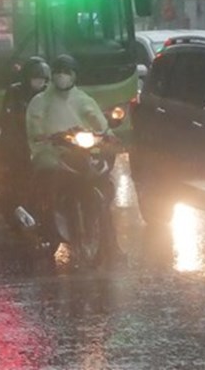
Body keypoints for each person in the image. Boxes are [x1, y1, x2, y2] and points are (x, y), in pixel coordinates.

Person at [25, 54, 124, 262]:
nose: (62, 76)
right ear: (52, 76)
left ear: (74, 75)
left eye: (67, 72)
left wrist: (109, 137)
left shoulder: (83, 99)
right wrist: (47, 137)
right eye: (58, 72)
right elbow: (35, 127)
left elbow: (98, 122)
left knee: (102, 185)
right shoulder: (40, 101)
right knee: (47, 182)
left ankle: (111, 243)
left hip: (80, 152)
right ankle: (47, 229)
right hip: (52, 153)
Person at [0, 56, 51, 227]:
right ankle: (15, 208)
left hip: (44, 144)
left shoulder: (49, 95)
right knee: (18, 177)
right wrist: (20, 140)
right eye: (35, 78)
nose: (38, 82)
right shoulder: (15, 93)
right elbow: (8, 120)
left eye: (42, 79)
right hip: (19, 144)